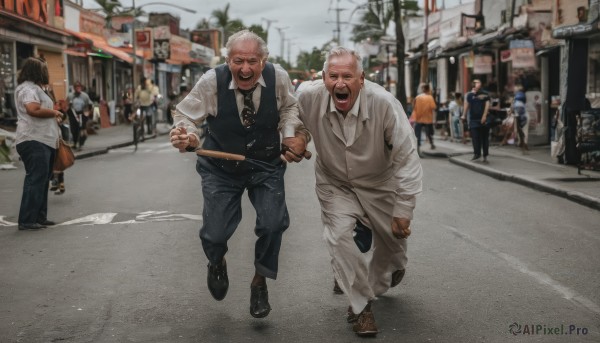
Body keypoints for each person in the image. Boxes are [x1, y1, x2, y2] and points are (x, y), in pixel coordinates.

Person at [169, 30, 309, 319]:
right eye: (238, 61)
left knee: (273, 224)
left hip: (266, 165)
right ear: (228, 60)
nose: (245, 68)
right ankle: (216, 259)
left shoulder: (278, 77)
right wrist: (188, 136)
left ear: (263, 60)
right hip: (221, 169)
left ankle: (259, 282)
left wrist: (290, 135)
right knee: (216, 233)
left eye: (252, 61)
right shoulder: (212, 80)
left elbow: (290, 107)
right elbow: (186, 116)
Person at [297, 47, 422, 337]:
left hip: (380, 182)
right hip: (334, 182)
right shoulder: (308, 97)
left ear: (362, 79)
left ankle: (394, 264)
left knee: (391, 244)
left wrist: (404, 210)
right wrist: (298, 137)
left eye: (347, 76)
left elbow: (407, 157)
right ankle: (361, 307)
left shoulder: (384, 103)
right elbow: (291, 120)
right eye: (334, 76)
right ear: (324, 78)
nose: (340, 83)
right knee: (339, 236)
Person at [14, 57, 63, 230]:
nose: (45, 72)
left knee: (42, 180)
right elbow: (33, 110)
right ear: (35, 70)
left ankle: (39, 217)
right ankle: (27, 220)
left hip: (43, 139)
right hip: (33, 139)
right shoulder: (28, 89)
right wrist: (54, 112)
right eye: (43, 69)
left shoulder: (35, 88)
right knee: (36, 179)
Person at [462, 79, 491, 162]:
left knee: (485, 138)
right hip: (473, 120)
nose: (478, 83)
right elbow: (466, 105)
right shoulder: (469, 95)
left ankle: (485, 155)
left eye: (479, 82)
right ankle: (477, 153)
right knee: (475, 137)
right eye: (476, 82)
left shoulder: (485, 94)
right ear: (473, 84)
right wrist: (463, 115)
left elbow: (487, 105)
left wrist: (484, 116)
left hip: (484, 119)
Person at [411, 83, 437, 153]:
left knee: (417, 134)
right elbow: (433, 108)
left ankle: (418, 148)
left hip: (418, 119)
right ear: (428, 89)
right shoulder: (430, 97)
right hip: (428, 119)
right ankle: (431, 144)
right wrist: (434, 119)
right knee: (429, 132)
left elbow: (413, 107)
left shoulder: (417, 97)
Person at [67, 82, 91, 150]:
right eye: (76, 87)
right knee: (73, 130)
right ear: (74, 88)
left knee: (81, 129)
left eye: (79, 87)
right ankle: (75, 143)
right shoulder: (70, 96)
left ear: (81, 88)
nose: (78, 88)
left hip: (81, 114)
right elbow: (66, 105)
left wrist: (87, 114)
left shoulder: (85, 96)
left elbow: (89, 105)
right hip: (73, 114)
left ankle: (80, 144)